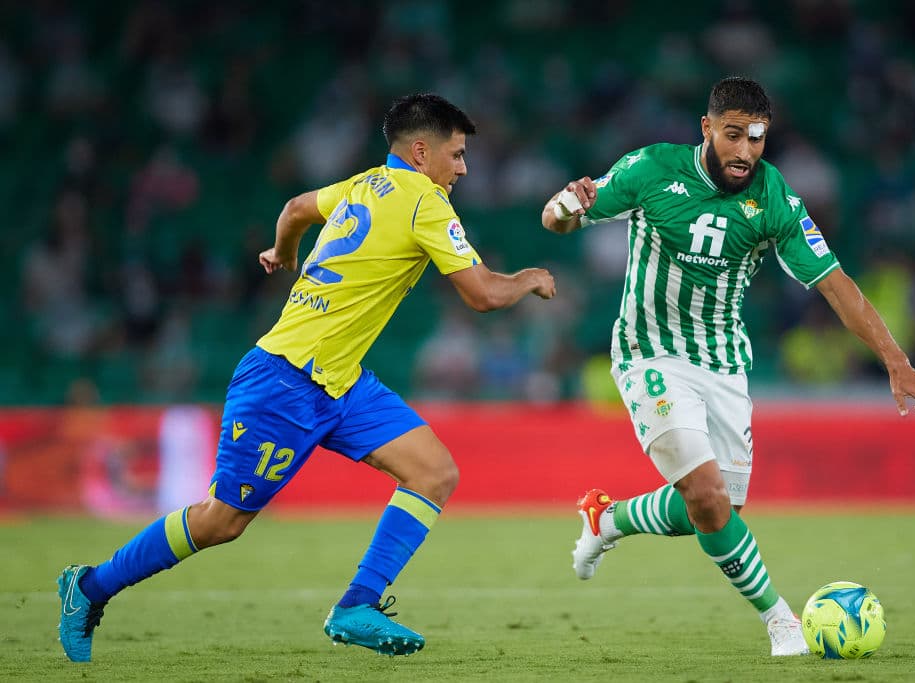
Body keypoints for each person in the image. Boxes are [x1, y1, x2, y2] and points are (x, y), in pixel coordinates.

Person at [57, 93, 556, 662]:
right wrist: (530, 279)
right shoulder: (426, 202)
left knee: (434, 472)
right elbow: (483, 295)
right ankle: (89, 587)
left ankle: (355, 607)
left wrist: (282, 251)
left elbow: (295, 207)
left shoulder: (362, 185)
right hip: (285, 380)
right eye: (458, 155)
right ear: (421, 152)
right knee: (222, 521)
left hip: (341, 380)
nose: (463, 169)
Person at [540, 77, 915, 657]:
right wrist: (563, 207)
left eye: (757, 138)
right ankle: (781, 620)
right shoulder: (652, 169)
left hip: (724, 363)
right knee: (705, 495)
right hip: (649, 353)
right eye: (734, 135)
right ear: (707, 129)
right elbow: (560, 219)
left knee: (713, 512)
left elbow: (834, 283)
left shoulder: (774, 195)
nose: (745, 151)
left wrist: (897, 363)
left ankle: (607, 519)